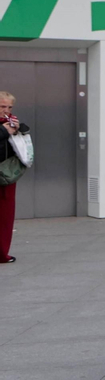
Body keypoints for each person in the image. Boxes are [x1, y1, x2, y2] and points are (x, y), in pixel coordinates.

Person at [0, 90, 27, 264]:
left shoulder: (10, 121)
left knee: (5, 216)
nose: (6, 110)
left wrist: (19, 130)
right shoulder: (4, 127)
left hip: (6, 173)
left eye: (9, 107)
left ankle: (2, 253)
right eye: (2, 106)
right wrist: (4, 131)